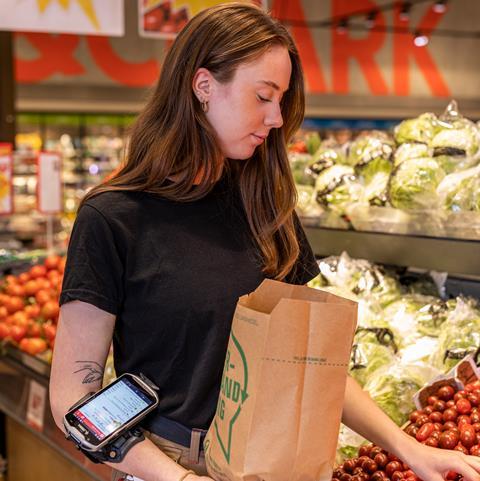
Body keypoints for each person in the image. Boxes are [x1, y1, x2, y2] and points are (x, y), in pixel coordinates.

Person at [50, 3, 480, 481]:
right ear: (204, 86)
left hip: (270, 461)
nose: (276, 117)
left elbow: (313, 363)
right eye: (263, 96)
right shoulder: (112, 217)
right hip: (163, 464)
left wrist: (410, 449)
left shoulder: (267, 209)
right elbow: (73, 396)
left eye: (282, 99)